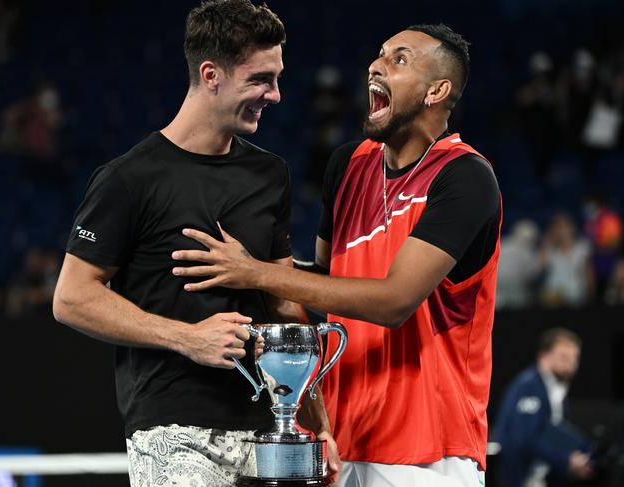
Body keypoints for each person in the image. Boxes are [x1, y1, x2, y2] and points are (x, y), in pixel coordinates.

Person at [172, 24, 501, 487]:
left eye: (399, 59)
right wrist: (250, 264)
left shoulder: (464, 177)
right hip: (338, 445)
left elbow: (393, 302)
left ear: (438, 90)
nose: (376, 65)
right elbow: (326, 283)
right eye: (379, 54)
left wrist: (257, 272)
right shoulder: (348, 165)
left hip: (428, 453)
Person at [52, 1, 338, 486]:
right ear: (211, 74)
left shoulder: (270, 175)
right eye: (261, 79)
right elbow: (72, 298)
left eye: (277, 77)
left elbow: (285, 308)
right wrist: (187, 337)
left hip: (269, 430)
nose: (276, 95)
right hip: (172, 428)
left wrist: (319, 426)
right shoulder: (127, 179)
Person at [491, 328, 593, 487]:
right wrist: (566, 460)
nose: (571, 364)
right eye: (564, 357)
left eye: (575, 358)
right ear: (544, 357)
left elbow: (554, 433)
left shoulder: (555, 389)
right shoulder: (528, 387)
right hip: (522, 478)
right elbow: (523, 439)